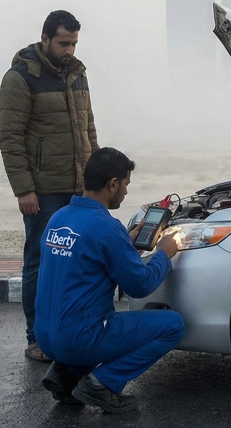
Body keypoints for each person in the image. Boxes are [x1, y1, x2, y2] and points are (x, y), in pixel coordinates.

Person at [35, 147, 184, 414]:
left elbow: (88, 260)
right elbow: (139, 285)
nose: (125, 192)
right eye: (125, 185)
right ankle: (102, 384)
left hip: (45, 336)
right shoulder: (106, 227)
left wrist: (127, 242)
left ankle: (65, 375)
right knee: (173, 325)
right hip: (78, 339)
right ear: (112, 184)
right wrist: (164, 253)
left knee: (81, 320)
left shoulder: (58, 218)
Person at [0, 10, 98, 362]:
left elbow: (88, 130)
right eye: (63, 43)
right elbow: (10, 138)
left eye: (73, 43)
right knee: (40, 263)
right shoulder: (20, 77)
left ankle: (68, 333)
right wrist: (24, 190)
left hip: (78, 189)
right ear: (45, 40)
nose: (69, 49)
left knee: (76, 263)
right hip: (42, 192)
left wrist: (96, 181)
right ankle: (35, 338)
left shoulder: (77, 74)